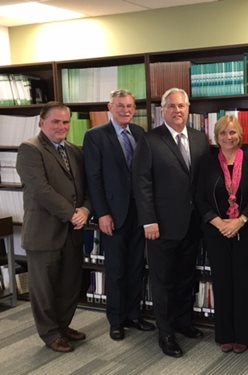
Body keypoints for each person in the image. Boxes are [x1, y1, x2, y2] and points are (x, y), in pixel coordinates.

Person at [132, 87, 210, 358]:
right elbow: (141, 184)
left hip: (192, 224)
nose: (178, 110)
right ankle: (165, 334)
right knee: (162, 280)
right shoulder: (150, 140)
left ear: (189, 109)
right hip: (161, 227)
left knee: (186, 277)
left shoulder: (200, 139)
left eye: (182, 106)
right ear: (162, 110)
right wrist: (148, 221)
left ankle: (183, 322)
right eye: (172, 106)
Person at [16, 102, 91, 353]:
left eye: (65, 122)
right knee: (45, 288)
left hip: (73, 230)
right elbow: (41, 190)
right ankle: (50, 334)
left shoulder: (74, 150)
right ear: (42, 122)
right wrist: (72, 214)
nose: (62, 126)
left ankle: (62, 325)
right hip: (44, 232)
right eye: (55, 122)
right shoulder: (30, 149)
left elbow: (87, 186)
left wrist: (86, 210)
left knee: (70, 284)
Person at [83, 89, 154, 341]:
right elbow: (93, 178)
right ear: (109, 107)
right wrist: (102, 213)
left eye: (130, 106)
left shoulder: (138, 133)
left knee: (136, 266)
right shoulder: (95, 136)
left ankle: (133, 316)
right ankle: (116, 320)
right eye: (120, 106)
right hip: (113, 214)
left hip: (139, 213)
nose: (126, 110)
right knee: (116, 269)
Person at [195, 115, 248, 354]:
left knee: (244, 282)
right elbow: (199, 198)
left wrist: (240, 220)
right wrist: (219, 223)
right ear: (217, 136)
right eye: (223, 133)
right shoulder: (206, 162)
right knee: (222, 282)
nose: (228, 137)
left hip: (245, 231)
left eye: (233, 132)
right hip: (216, 232)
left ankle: (244, 335)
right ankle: (224, 334)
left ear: (240, 135)